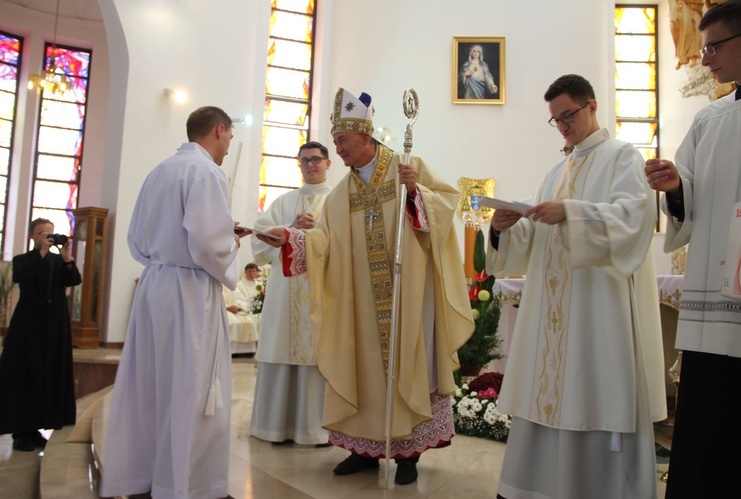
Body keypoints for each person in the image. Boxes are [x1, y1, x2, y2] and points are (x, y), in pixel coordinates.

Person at [257, 88, 474, 485]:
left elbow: (448, 207)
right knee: (363, 367)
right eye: (336, 142)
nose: (337, 150)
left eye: (341, 141)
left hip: (410, 297)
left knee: (410, 368)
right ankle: (363, 449)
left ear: (365, 138)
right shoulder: (340, 196)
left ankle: (408, 456)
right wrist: (291, 240)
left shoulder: (409, 168)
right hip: (361, 304)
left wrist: (417, 194)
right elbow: (325, 243)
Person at [488, 74, 666, 499]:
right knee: (546, 397)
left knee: (592, 390)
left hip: (596, 312)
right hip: (552, 315)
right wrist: (504, 228)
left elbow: (633, 220)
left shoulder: (623, 157)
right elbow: (535, 242)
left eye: (567, 115)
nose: (563, 125)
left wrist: (571, 212)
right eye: (555, 119)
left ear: (592, 106)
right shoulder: (555, 172)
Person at [100, 106, 248, 499]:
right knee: (192, 389)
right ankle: (190, 487)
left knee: (152, 384)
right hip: (189, 291)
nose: (229, 148)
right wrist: (231, 242)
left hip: (155, 284)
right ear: (219, 130)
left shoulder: (160, 171)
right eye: (230, 138)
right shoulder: (206, 172)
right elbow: (206, 244)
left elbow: (136, 237)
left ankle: (146, 478)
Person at [644, 2, 741, 497]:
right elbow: (689, 187)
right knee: (711, 417)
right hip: (714, 310)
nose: (703, 59)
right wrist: (675, 185)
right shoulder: (710, 119)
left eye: (713, 46)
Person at [249, 141, 333, 446]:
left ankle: (315, 430)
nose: (310, 165)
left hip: (322, 294)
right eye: (304, 161)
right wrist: (289, 228)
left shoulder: (338, 201)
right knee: (281, 350)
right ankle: (274, 427)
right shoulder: (284, 202)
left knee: (316, 356)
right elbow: (259, 241)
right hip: (284, 295)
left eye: (315, 160)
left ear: (328, 163)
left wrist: (320, 230)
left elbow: (349, 245)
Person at [0, 219, 81, 452]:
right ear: (32, 236)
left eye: (50, 233)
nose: (47, 236)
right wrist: (42, 253)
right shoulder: (23, 259)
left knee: (48, 373)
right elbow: (21, 276)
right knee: (26, 373)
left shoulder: (58, 261)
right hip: (28, 325)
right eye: (41, 233)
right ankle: (20, 432)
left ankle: (38, 426)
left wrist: (67, 258)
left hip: (55, 324)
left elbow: (73, 280)